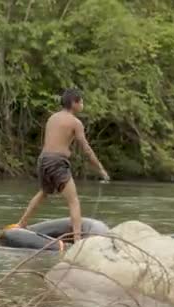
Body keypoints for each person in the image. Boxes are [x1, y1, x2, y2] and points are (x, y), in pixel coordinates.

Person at [15, 88, 110, 241]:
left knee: (44, 192)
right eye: (82, 102)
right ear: (74, 103)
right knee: (74, 201)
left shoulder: (52, 118)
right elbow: (86, 148)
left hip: (43, 159)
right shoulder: (75, 122)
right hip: (58, 162)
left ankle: (22, 223)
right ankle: (78, 240)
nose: (83, 105)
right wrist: (101, 169)